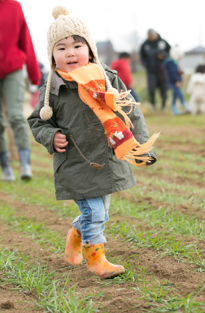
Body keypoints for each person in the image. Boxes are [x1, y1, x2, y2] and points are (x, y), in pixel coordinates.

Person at [28, 6, 158, 279]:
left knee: (100, 212)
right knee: (95, 212)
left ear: (90, 49)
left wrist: (143, 146)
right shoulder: (51, 89)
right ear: (52, 55)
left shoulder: (106, 79)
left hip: (107, 160)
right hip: (76, 162)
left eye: (77, 45)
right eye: (61, 48)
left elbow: (131, 111)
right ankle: (96, 259)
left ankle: (75, 237)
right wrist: (50, 136)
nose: (70, 52)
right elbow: (37, 121)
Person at [0, 0, 41, 181]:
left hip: (12, 70)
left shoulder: (13, 6)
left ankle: (25, 164)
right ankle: (6, 168)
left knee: (16, 116)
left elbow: (26, 40)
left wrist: (34, 77)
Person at [140, 29, 171, 111]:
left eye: (152, 36)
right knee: (151, 89)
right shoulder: (145, 44)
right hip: (151, 71)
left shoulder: (163, 42)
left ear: (155, 35)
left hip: (162, 70)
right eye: (149, 36)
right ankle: (153, 105)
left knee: (163, 89)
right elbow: (142, 57)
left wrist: (164, 56)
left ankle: (163, 105)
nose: (151, 37)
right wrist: (146, 65)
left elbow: (169, 52)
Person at [163, 45, 189, 115]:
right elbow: (173, 73)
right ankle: (181, 105)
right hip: (174, 82)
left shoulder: (172, 62)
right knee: (177, 93)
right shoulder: (171, 63)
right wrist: (177, 80)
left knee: (176, 94)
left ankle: (177, 106)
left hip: (173, 81)